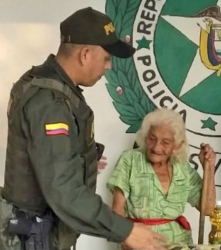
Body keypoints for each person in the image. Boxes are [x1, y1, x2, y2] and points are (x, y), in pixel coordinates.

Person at [0, 7, 167, 250]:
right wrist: (126, 231)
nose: (108, 67)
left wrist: (80, 161)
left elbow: (43, 156)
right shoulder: (50, 103)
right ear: (86, 54)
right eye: (107, 58)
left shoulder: (41, 83)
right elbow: (64, 192)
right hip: (33, 238)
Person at [107, 108, 216, 247]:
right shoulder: (130, 160)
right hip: (141, 242)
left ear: (176, 145)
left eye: (165, 142)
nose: (157, 147)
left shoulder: (182, 167)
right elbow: (117, 210)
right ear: (145, 137)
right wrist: (126, 240)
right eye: (152, 139)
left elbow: (207, 209)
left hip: (179, 244)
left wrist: (209, 169)